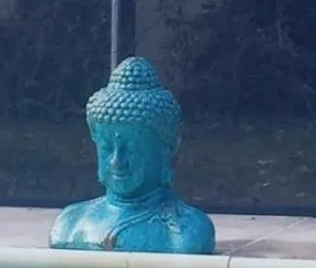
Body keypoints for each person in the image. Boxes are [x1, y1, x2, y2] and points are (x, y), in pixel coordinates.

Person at [49, 57, 216, 254]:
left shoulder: (185, 232)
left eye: (133, 149)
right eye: (107, 148)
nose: (117, 161)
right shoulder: (70, 223)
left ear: (166, 149)